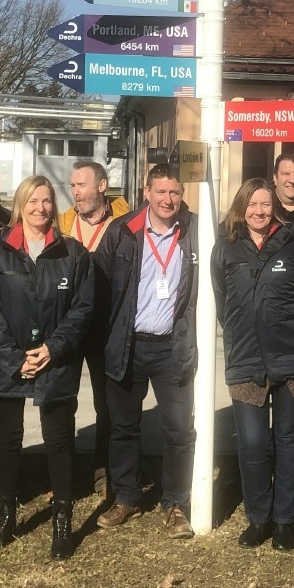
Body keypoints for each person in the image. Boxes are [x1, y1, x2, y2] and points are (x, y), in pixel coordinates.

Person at [0, 174, 93, 560]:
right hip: (8, 363)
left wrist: (52, 349)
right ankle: (6, 517)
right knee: (7, 440)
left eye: (47, 201)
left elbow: (82, 309)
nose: (41, 208)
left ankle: (62, 521)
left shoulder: (72, 253)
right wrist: (13, 357)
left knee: (59, 442)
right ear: (21, 203)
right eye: (34, 200)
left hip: (55, 362)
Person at [212, 178, 294, 550]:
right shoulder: (227, 249)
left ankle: (284, 521)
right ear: (241, 208)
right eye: (252, 204)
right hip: (246, 359)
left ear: (274, 207)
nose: (259, 211)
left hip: (292, 360)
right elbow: (222, 302)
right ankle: (258, 518)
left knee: (290, 441)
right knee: (252, 443)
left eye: (265, 204)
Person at [94, 165, 200, 540]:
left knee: (179, 430)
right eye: (160, 192)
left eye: (174, 193)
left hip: (172, 346)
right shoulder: (122, 232)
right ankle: (126, 496)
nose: (167, 200)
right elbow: (99, 287)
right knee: (123, 428)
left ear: (182, 193)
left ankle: (174, 503)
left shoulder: (195, 231)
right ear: (146, 191)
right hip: (128, 345)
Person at [58, 159, 131, 493]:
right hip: (69, 327)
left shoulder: (127, 223)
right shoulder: (61, 224)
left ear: (102, 186)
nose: (76, 193)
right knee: (63, 401)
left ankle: (104, 469)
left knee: (107, 403)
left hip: (107, 327)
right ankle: (64, 471)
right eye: (73, 186)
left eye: (82, 185)